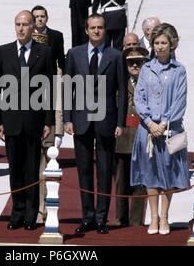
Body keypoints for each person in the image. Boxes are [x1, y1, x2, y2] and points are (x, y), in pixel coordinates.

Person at [64, 13, 126, 234]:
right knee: (84, 171)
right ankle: (87, 216)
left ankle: (101, 218)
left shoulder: (116, 56)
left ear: (105, 30)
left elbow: (121, 90)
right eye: (93, 28)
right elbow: (67, 88)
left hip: (106, 120)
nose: (97, 31)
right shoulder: (74, 54)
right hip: (80, 120)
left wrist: (120, 122)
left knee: (104, 170)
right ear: (86, 30)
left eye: (100, 28)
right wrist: (67, 118)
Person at [0, 10, 54, 231]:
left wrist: (48, 121)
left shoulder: (44, 52)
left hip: (34, 121)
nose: (21, 28)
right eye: (17, 24)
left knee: (31, 169)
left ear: (32, 27)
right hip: (11, 121)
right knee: (15, 169)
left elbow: (49, 89)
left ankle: (31, 213)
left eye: (25, 24)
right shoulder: (4, 51)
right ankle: (16, 212)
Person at [131, 23, 190, 235]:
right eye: (156, 43)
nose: (160, 47)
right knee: (150, 174)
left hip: (169, 130)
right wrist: (149, 122)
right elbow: (139, 97)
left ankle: (165, 217)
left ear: (172, 44)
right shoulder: (146, 68)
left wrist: (164, 123)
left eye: (164, 42)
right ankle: (153, 217)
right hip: (147, 130)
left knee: (168, 174)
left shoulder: (179, 70)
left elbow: (179, 100)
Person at [31, 5, 65, 223]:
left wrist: (59, 128)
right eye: (37, 17)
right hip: (28, 116)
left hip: (49, 116)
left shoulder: (57, 37)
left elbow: (61, 67)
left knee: (47, 166)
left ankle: (45, 210)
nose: (40, 20)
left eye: (43, 17)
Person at [113, 46, 148, 227]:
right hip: (123, 137)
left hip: (142, 137)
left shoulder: (150, 83)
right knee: (120, 180)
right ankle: (120, 218)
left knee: (140, 182)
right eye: (130, 62)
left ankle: (136, 221)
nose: (134, 65)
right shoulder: (120, 82)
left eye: (139, 62)